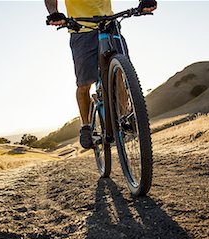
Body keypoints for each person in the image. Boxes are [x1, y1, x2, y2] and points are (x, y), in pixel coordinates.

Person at [45, 0, 157, 149]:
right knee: (84, 84)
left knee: (120, 73)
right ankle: (85, 126)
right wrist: (54, 13)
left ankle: (124, 117)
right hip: (81, 30)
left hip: (109, 26)